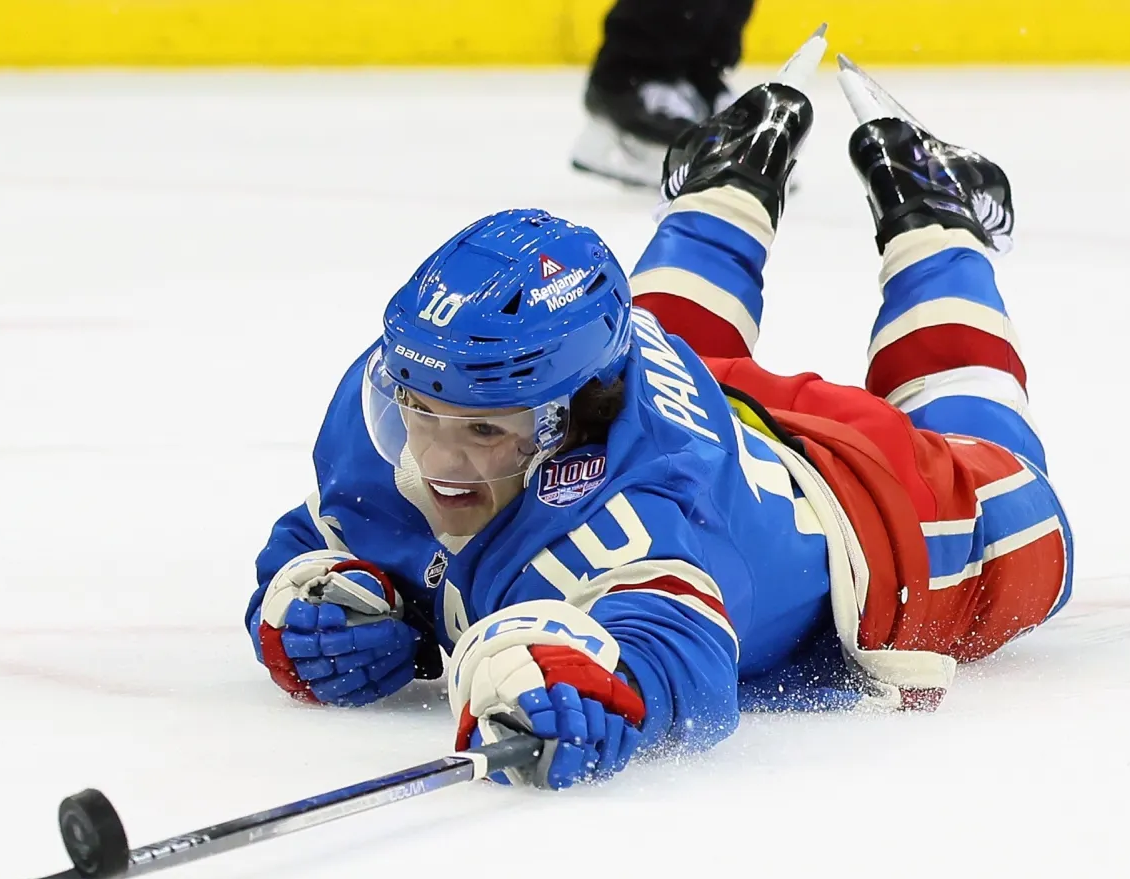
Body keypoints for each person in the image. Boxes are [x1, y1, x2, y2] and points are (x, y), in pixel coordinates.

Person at [247, 56, 1072, 789]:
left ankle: (935, 217)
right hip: (703, 411)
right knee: (672, 330)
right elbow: (326, 530)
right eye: (418, 416)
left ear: (571, 423)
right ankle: (731, 175)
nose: (437, 460)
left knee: (1018, 501)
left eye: (485, 433)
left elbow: (681, 647)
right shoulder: (435, 374)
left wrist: (593, 684)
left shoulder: (641, 522)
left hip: (869, 510)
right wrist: (319, 600)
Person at [570, 0, 757, 185]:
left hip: (696, 67)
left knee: (710, 49)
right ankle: (631, 79)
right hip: (633, 74)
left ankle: (696, 76)